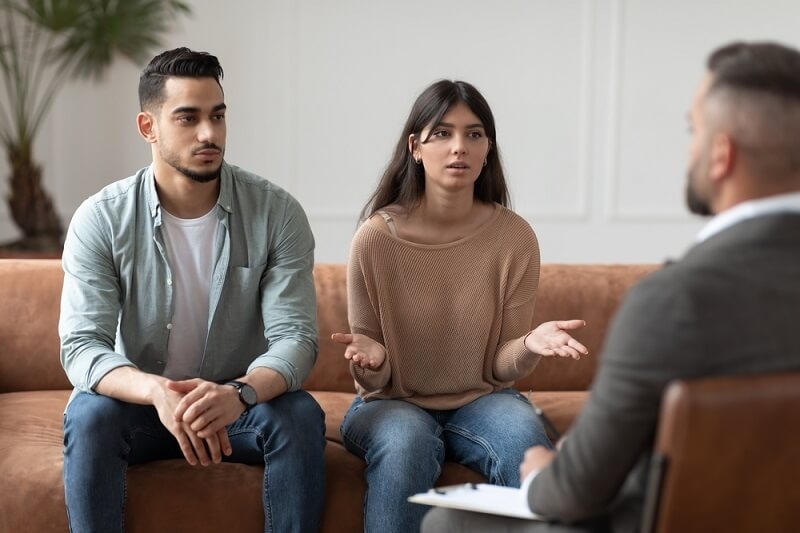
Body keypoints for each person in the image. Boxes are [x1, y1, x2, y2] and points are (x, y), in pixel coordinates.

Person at [422, 40, 800, 533]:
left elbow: (578, 490)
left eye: (694, 132)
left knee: (448, 522)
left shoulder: (673, 300)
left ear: (721, 155)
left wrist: (541, 475)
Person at [59, 47, 325, 533]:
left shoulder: (276, 213)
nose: (209, 134)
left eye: (217, 116)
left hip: (237, 407)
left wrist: (239, 393)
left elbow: (297, 339)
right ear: (148, 127)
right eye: (188, 118)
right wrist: (157, 392)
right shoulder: (101, 218)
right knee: (90, 416)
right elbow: (81, 347)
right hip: (141, 408)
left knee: (299, 415)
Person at [331, 79, 588, 533]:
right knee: (406, 441)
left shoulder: (514, 237)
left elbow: (501, 367)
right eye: (443, 133)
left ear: (488, 148)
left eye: (474, 134)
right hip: (390, 401)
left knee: (522, 436)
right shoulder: (375, 238)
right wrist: (373, 361)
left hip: (482, 399)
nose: (459, 147)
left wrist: (529, 343)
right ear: (415, 146)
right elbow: (372, 375)